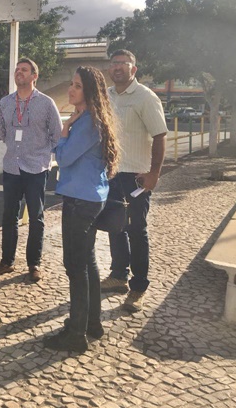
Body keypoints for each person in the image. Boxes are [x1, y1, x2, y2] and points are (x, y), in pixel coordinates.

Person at [44, 66, 119, 353]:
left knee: (75, 266)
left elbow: (63, 158)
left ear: (89, 91)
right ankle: (91, 323)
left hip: (80, 201)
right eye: (71, 84)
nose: (71, 89)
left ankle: (76, 334)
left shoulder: (87, 123)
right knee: (87, 262)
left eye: (77, 85)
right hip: (89, 197)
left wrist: (63, 132)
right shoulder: (91, 119)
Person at [101, 49, 167, 312]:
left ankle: (138, 287)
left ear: (133, 69)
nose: (117, 67)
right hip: (111, 173)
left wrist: (154, 173)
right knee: (114, 227)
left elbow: (160, 135)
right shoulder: (106, 95)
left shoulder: (145, 97)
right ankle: (118, 276)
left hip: (137, 177)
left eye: (123, 63)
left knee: (136, 231)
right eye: (114, 63)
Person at [0, 58, 63, 282]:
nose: (19, 72)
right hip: (12, 166)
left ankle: (34, 263)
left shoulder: (46, 103)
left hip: (36, 168)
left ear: (34, 76)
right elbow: (3, 132)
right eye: (17, 70)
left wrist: (42, 154)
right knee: (9, 215)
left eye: (24, 70)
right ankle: (7, 261)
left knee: (36, 217)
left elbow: (57, 135)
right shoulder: (5, 102)